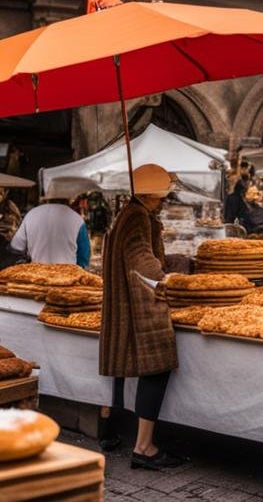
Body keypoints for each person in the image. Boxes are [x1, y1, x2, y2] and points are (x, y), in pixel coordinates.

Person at [99, 164, 184, 470]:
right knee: (155, 369)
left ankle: (126, 436)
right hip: (141, 305)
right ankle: (144, 447)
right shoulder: (136, 215)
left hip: (130, 300)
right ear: (149, 193)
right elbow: (139, 257)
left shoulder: (130, 212)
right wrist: (166, 280)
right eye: (161, 195)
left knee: (151, 371)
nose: (164, 200)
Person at [10, 181, 91, 268]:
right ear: (68, 198)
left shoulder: (32, 214)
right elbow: (84, 256)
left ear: (47, 197)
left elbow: (16, 247)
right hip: (67, 276)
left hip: (37, 275)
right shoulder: (77, 219)